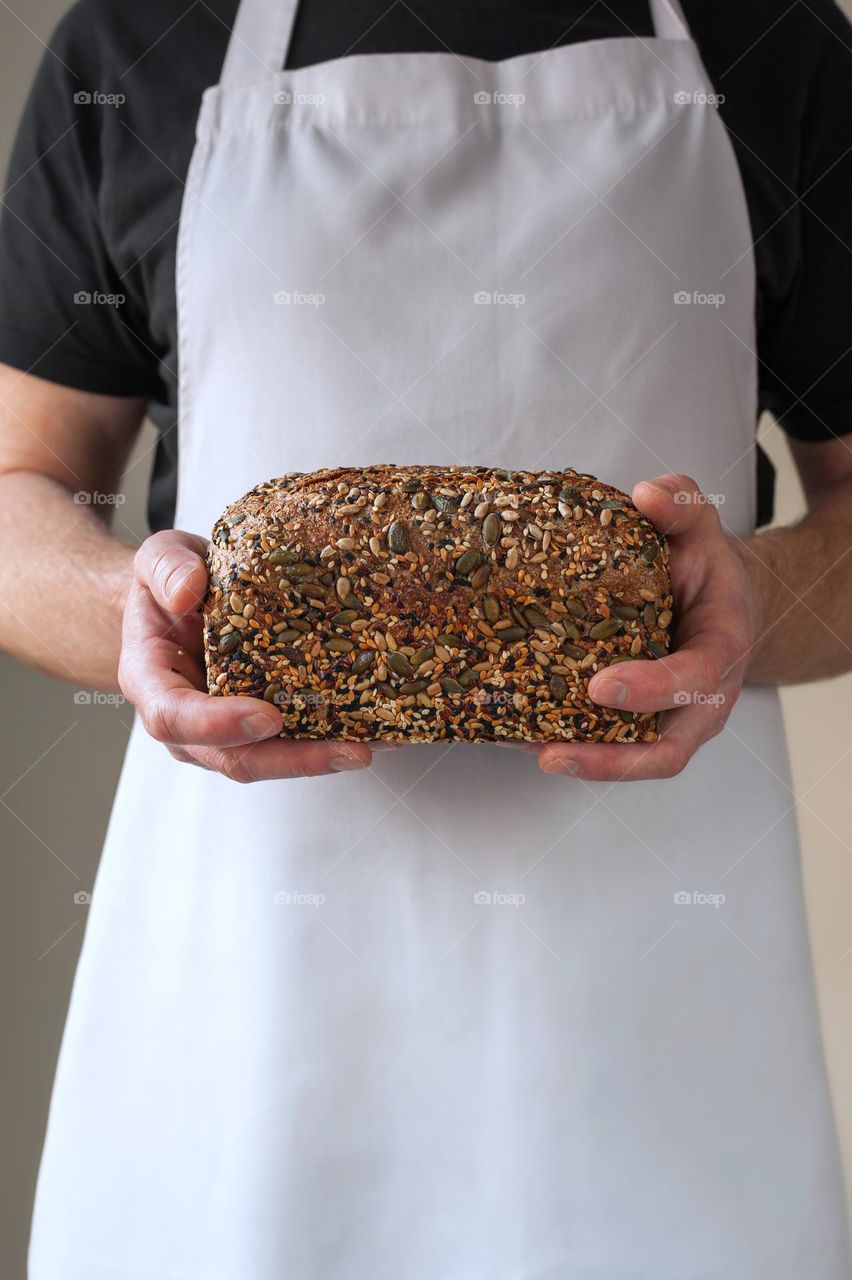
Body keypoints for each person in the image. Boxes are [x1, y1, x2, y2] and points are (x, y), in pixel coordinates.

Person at [1, 0, 851, 1274]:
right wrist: (141, 612)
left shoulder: (773, 40)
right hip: (245, 996)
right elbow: (19, 483)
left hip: (657, 1002)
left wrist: (741, 606)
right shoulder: (134, 45)